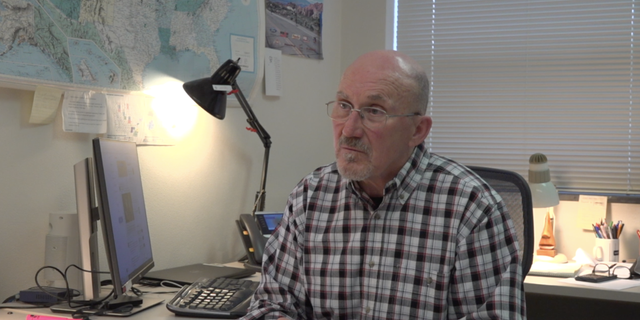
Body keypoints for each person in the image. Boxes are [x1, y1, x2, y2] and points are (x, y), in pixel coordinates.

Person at [240, 50, 526, 319]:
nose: (349, 130)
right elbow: (271, 303)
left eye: (374, 111)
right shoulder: (310, 198)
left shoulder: (472, 208)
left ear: (417, 130)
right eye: (343, 106)